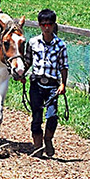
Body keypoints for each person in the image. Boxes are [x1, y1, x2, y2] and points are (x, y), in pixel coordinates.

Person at [23, 9, 69, 157]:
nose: (46, 27)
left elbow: (64, 66)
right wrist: (21, 74)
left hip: (52, 85)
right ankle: (37, 146)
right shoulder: (33, 43)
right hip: (36, 83)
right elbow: (28, 61)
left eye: (49, 24)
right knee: (37, 115)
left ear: (53, 25)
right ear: (39, 25)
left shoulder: (60, 45)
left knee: (52, 115)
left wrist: (63, 84)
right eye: (43, 25)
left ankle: (48, 138)